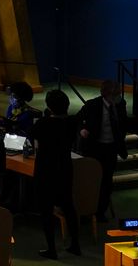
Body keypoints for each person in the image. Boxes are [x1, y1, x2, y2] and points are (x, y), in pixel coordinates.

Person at [31, 89, 81, 259]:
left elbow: (32, 136)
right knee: (69, 207)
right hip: (65, 169)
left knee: (46, 211)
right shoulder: (72, 122)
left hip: (46, 170)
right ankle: (75, 244)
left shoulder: (43, 124)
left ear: (49, 106)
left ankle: (52, 249)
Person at [77, 79, 128, 221]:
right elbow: (78, 119)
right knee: (91, 180)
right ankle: (87, 211)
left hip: (111, 148)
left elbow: (123, 124)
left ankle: (100, 212)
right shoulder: (92, 105)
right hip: (94, 148)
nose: (118, 98)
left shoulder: (120, 105)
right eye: (115, 95)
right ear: (107, 94)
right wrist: (82, 129)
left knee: (107, 181)